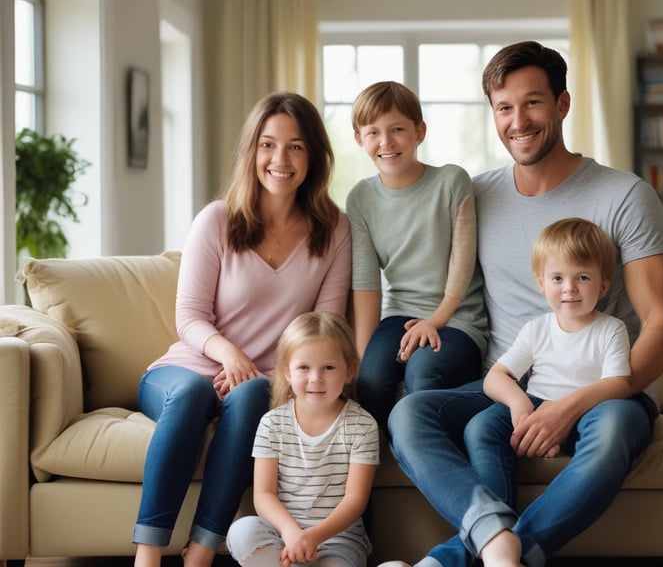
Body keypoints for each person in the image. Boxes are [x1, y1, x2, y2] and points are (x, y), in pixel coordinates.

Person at [387, 40, 663, 567]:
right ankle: (494, 539)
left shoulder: (624, 195)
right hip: (509, 387)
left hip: (605, 389)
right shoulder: (475, 197)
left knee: (615, 428)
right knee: (408, 414)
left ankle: (481, 555)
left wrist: (572, 405)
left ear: (562, 104)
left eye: (533, 103)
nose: (518, 121)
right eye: (504, 107)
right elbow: (406, 252)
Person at [132, 92, 352, 567]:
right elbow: (189, 316)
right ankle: (146, 557)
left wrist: (262, 376)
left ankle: (199, 553)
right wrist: (230, 355)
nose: (280, 159)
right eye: (268, 144)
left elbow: (327, 331)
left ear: (314, 155)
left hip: (261, 382)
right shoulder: (217, 219)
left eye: (295, 146)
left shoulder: (334, 229)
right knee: (191, 394)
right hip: (186, 370)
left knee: (252, 396)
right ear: (252, 151)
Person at [346, 80, 488, 427]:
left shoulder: (451, 181)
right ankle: (383, 452)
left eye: (397, 129)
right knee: (372, 380)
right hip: (398, 315)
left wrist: (434, 321)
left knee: (422, 374)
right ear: (359, 139)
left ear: (419, 132)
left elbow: (462, 264)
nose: (386, 141)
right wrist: (362, 359)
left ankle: (426, 447)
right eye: (373, 132)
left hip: (457, 318)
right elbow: (366, 284)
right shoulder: (360, 198)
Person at [226, 311, 379, 567]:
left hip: (339, 542)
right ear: (288, 373)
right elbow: (263, 494)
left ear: (349, 372)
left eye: (328, 367)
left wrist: (312, 537)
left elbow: (355, 499)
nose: (315, 378)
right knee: (242, 532)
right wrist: (292, 534)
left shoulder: (363, 425)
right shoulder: (272, 423)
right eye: (304, 368)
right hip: (284, 537)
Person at [482, 217, 631, 463]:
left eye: (583, 278)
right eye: (558, 278)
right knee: (481, 428)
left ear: (603, 286)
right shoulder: (536, 329)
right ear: (541, 283)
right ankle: (490, 492)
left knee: (606, 430)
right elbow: (495, 377)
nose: (569, 288)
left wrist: (566, 412)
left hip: (587, 412)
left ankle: (557, 445)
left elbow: (618, 384)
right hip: (535, 406)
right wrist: (520, 405)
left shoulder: (611, 329)